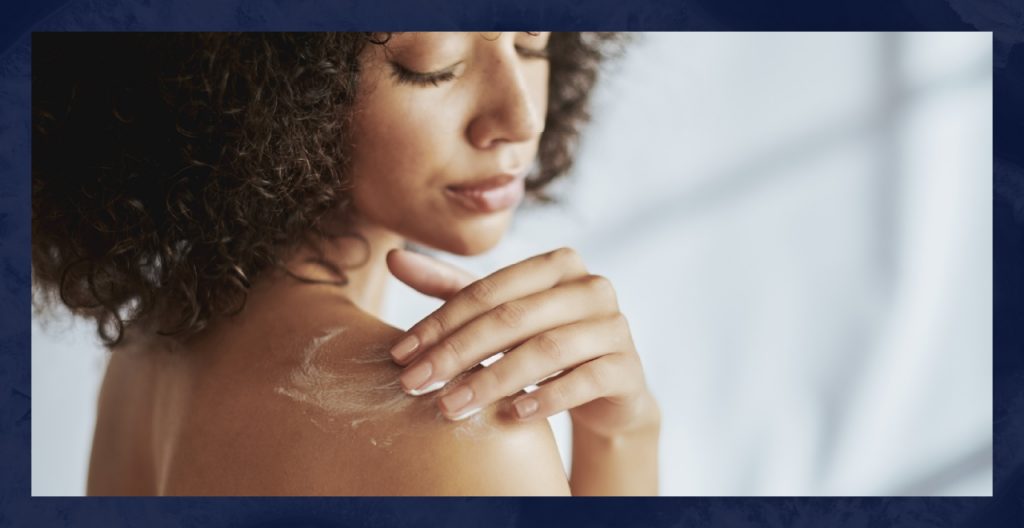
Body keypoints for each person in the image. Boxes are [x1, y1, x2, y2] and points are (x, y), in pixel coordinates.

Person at [32, 31, 660, 496]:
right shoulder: (453, 434)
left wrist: (619, 430)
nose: (520, 119)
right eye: (433, 68)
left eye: (531, 43)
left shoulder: (148, 351)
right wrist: (623, 443)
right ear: (280, 88)